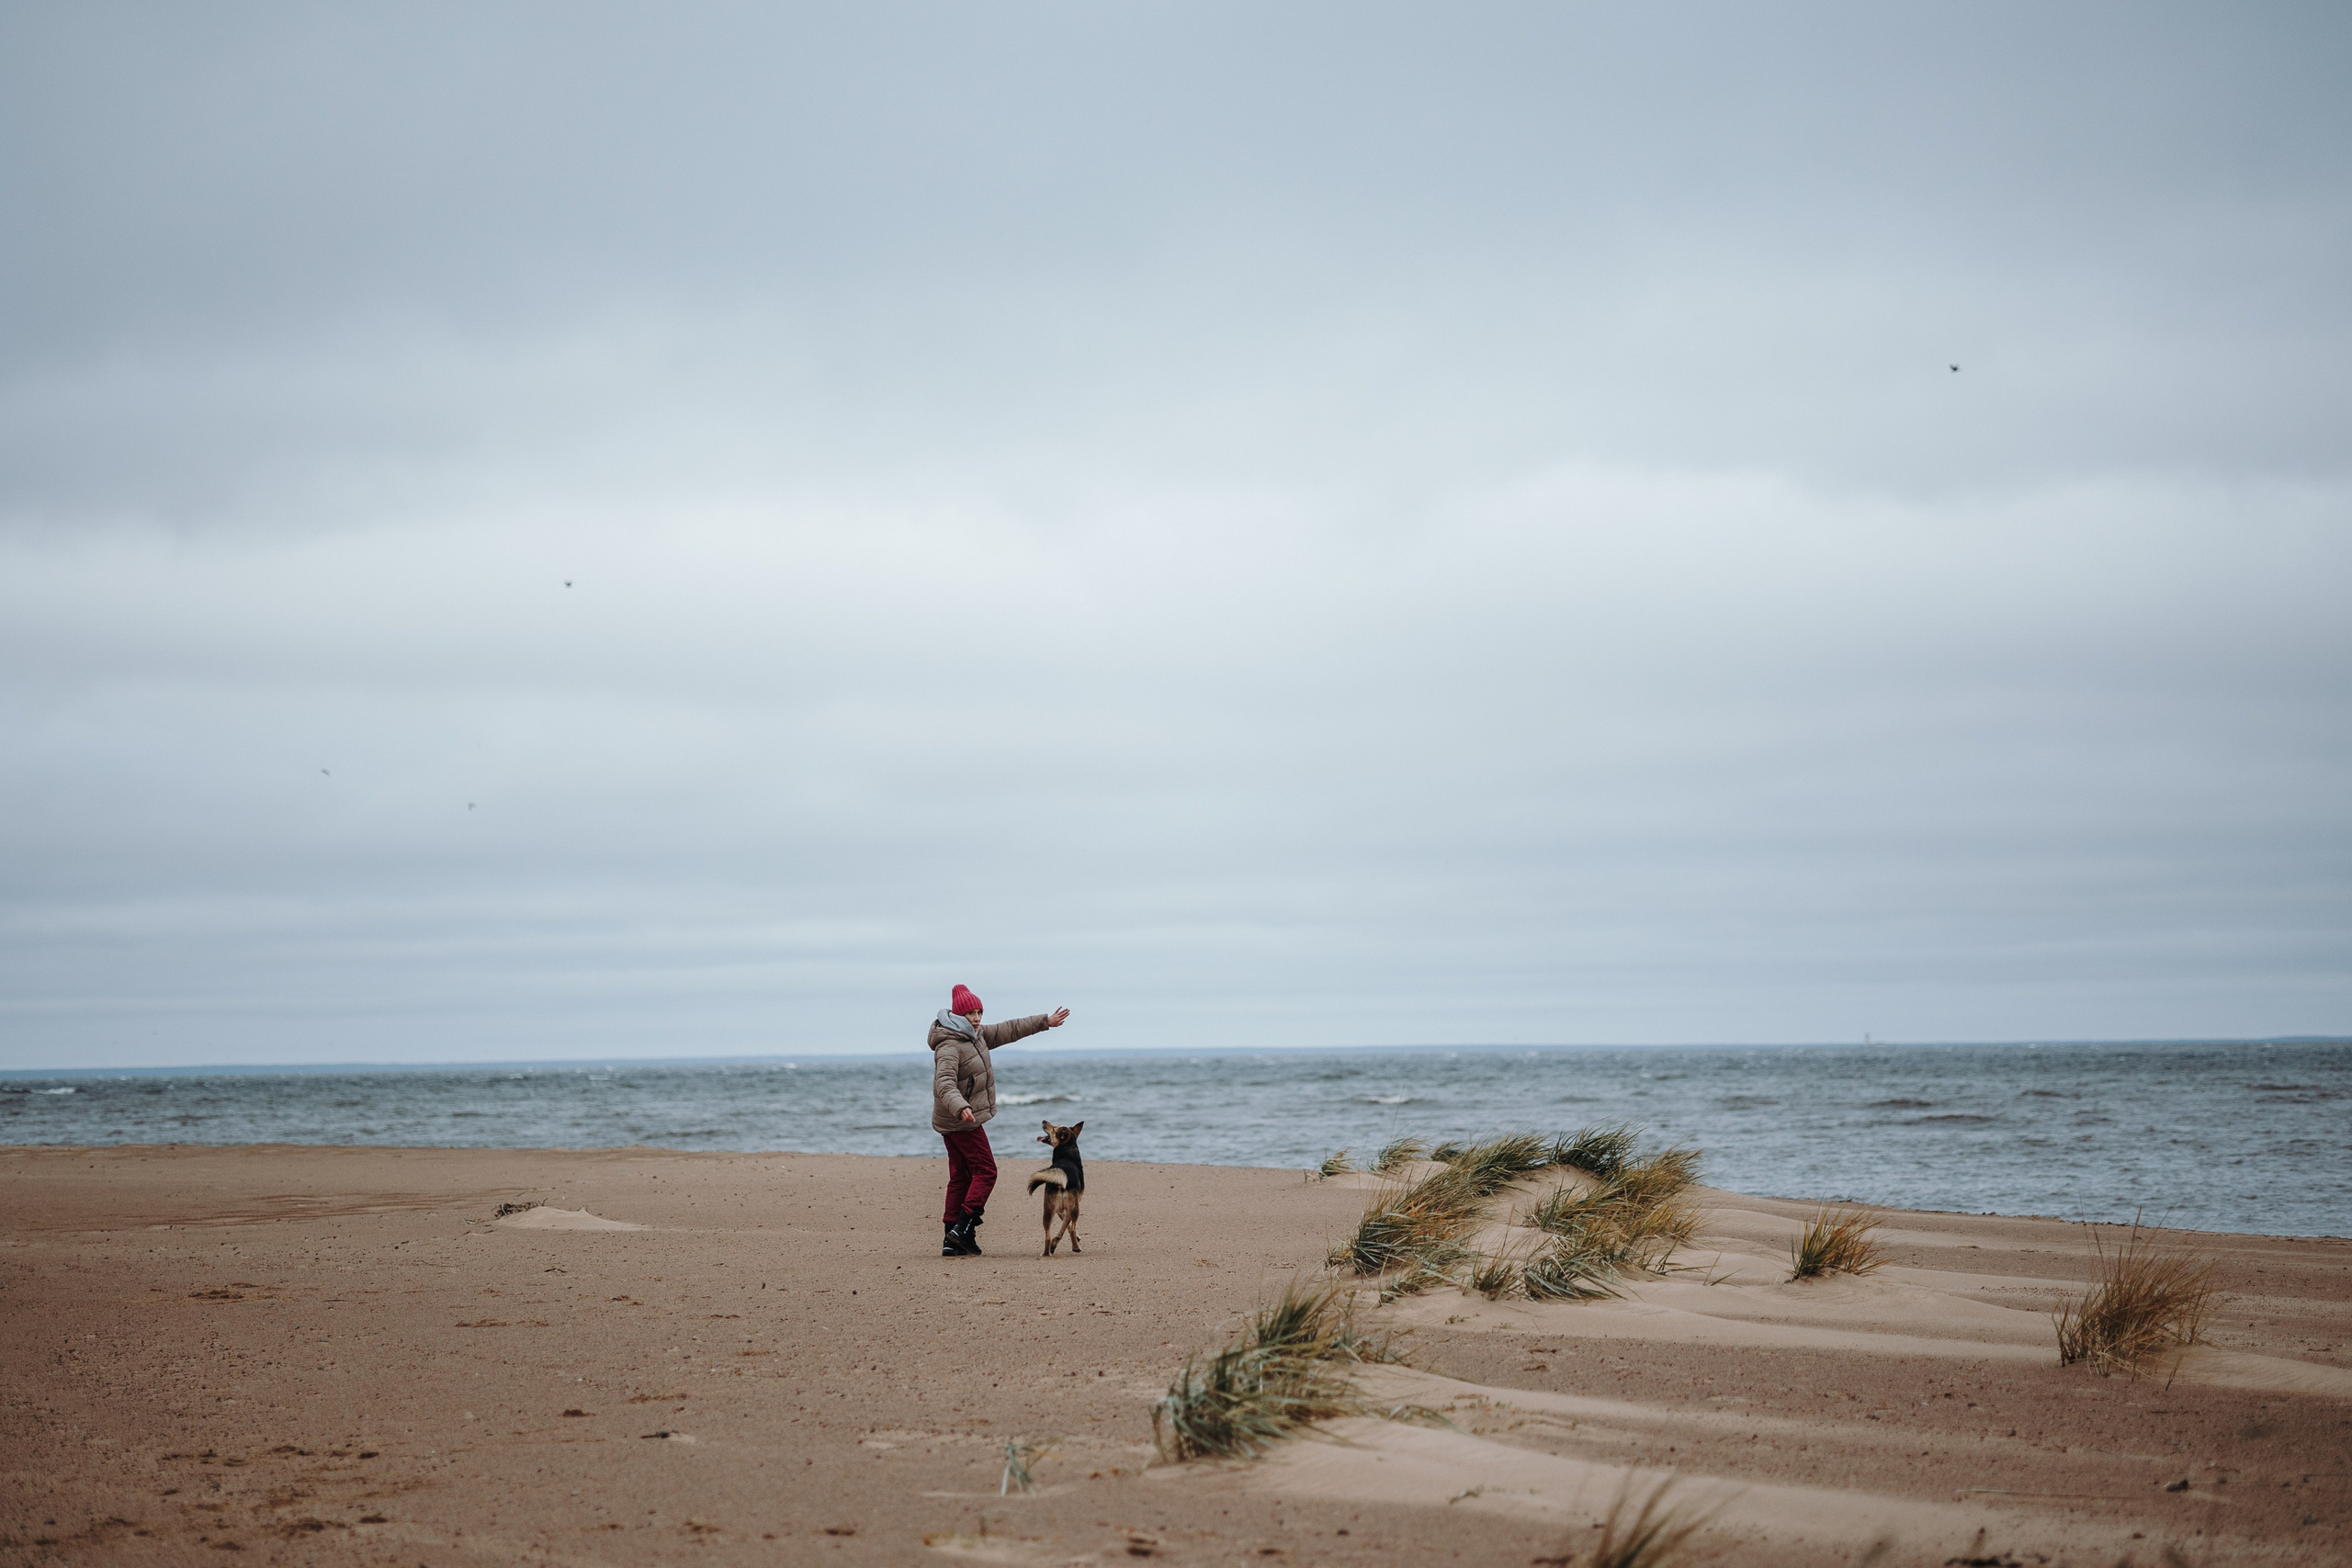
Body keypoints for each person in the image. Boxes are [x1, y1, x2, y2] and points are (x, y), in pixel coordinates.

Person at [930, 983, 1069, 1257]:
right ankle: (963, 1228)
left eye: (979, 1011)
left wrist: (1045, 1022)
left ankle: (952, 1239)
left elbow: (1010, 1029)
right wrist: (961, 1107)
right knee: (986, 1171)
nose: (977, 1017)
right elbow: (944, 1084)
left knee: (960, 1176)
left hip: (956, 1119)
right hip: (961, 1120)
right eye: (971, 1013)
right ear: (959, 1016)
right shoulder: (949, 1046)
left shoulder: (976, 1036)